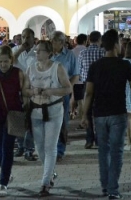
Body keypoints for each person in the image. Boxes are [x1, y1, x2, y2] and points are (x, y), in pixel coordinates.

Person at [82, 29, 131, 200]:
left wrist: (83, 115)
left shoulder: (96, 66)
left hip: (99, 114)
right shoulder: (125, 65)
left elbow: (88, 93)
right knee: (116, 152)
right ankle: (113, 189)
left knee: (104, 150)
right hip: (118, 112)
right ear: (117, 45)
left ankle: (105, 186)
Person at [23, 40, 72, 197]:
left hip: (53, 111)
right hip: (35, 111)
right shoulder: (31, 68)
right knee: (40, 147)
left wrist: (50, 91)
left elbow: (68, 88)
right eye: (36, 50)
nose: (37, 53)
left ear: (49, 52)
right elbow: (25, 89)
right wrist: (32, 92)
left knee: (50, 147)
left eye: (40, 51)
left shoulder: (57, 68)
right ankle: (50, 173)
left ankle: (45, 183)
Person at [0, 45, 24, 197]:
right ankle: (6, 174)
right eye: (0, 62)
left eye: (6, 62)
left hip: (13, 114)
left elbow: (24, 92)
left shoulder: (18, 73)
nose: (3, 65)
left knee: (7, 147)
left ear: (11, 60)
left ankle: (3, 182)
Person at [49, 31, 79, 161]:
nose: (51, 43)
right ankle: (50, 148)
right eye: (50, 41)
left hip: (63, 94)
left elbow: (75, 74)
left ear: (61, 43)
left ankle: (60, 149)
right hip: (48, 93)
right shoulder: (47, 55)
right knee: (48, 121)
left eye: (53, 41)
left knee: (62, 122)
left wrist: (68, 89)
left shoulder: (69, 55)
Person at [12, 28, 38, 161]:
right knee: (18, 119)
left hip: (32, 91)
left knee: (30, 121)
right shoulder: (15, 51)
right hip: (17, 90)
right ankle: (20, 146)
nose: (25, 39)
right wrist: (20, 49)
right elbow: (9, 61)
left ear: (33, 38)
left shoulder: (38, 52)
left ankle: (29, 149)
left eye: (28, 37)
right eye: (23, 37)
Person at [78, 30, 106, 149]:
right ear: (100, 40)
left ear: (89, 40)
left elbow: (79, 70)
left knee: (87, 112)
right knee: (99, 113)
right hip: (101, 85)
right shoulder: (103, 52)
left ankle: (89, 139)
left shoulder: (83, 53)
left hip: (86, 84)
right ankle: (100, 139)